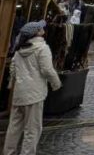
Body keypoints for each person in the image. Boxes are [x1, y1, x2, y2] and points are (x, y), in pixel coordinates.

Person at [2, 21, 61, 155]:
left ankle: (8, 152)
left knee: (14, 128)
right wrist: (56, 83)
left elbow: (13, 70)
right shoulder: (42, 48)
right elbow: (47, 70)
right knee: (32, 130)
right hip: (35, 94)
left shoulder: (19, 50)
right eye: (40, 28)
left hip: (19, 94)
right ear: (36, 33)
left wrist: (12, 84)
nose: (43, 28)